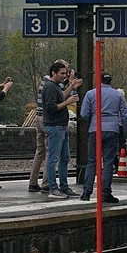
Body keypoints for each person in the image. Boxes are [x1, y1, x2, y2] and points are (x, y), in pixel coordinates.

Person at [79, 74, 127, 204]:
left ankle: (86, 192)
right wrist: (125, 133)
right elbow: (125, 116)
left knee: (92, 161)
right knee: (108, 162)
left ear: (99, 80)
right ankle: (106, 193)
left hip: (95, 130)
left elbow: (84, 114)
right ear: (110, 81)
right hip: (112, 130)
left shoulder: (91, 94)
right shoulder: (118, 95)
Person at [41, 60, 82, 197]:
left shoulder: (56, 86)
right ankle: (53, 188)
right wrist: (68, 102)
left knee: (65, 158)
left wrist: (71, 87)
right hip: (55, 125)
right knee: (53, 159)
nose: (64, 76)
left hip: (61, 126)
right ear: (54, 73)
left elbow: (61, 97)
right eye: (62, 73)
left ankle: (64, 186)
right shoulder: (50, 87)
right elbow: (52, 108)